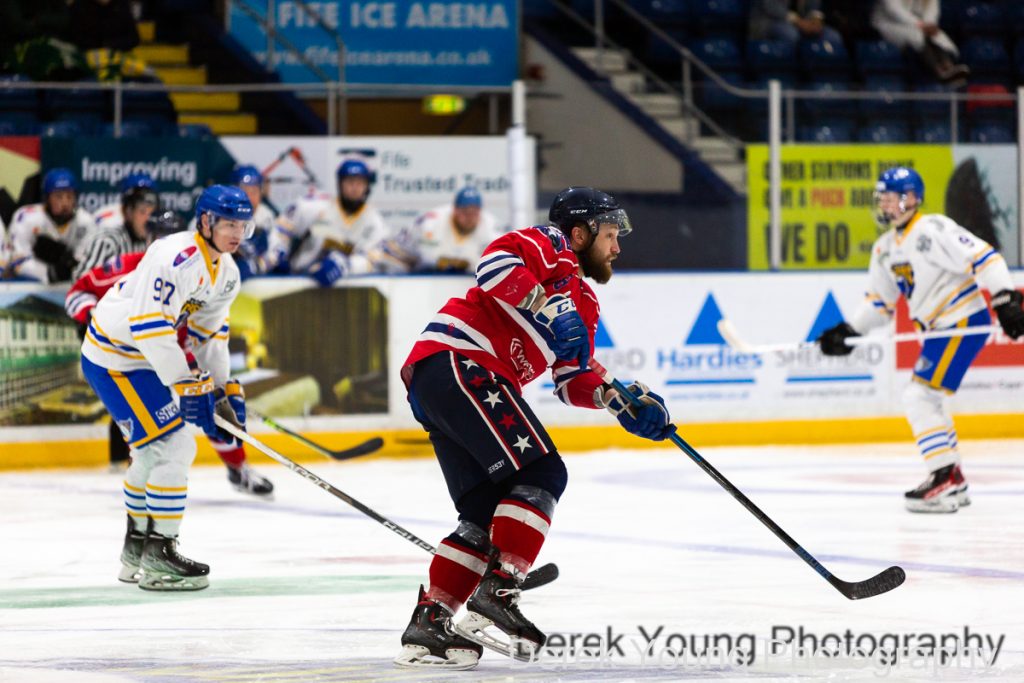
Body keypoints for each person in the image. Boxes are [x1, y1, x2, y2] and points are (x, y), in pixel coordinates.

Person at [393, 187, 675, 669]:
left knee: (484, 513)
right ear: (580, 233)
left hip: (443, 379)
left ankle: (431, 622)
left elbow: (572, 378)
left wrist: (617, 400)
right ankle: (499, 590)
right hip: (463, 361)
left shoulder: (586, 303)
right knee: (543, 473)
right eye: (610, 235)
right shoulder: (552, 245)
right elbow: (493, 265)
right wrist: (547, 306)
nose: (616, 247)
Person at [817, 167, 1024, 513]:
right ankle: (953, 478)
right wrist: (849, 331)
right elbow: (879, 304)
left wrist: (1004, 299)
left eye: (890, 197)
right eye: (881, 198)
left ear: (911, 198)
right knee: (928, 398)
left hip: (961, 321)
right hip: (938, 330)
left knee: (919, 396)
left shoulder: (933, 229)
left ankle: (944, 477)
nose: (884, 204)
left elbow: (985, 257)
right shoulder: (884, 249)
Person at [80, 185, 255, 590]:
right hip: (114, 357)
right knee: (175, 446)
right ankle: (160, 554)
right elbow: (149, 326)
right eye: (229, 224)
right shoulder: (174, 255)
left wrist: (221, 387)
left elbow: (211, 335)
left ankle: (136, 549)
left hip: (138, 359)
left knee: (151, 451)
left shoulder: (227, 273)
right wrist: (187, 384)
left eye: (243, 226)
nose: (236, 233)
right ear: (206, 221)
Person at [67, 210, 275, 497]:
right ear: (149, 240)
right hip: (126, 352)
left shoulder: (195, 268)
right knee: (157, 432)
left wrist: (209, 381)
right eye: (159, 238)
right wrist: (92, 316)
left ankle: (238, 468)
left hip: (173, 351)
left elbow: (204, 326)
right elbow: (77, 293)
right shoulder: (127, 266)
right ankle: (145, 483)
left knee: (209, 403)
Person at [267, 159, 390, 286]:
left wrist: (346, 265)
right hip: (299, 279)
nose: (354, 188)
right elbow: (282, 228)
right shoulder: (314, 207)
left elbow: (376, 259)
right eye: (350, 182)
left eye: (360, 183)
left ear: (367, 186)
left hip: (345, 287)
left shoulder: (375, 223)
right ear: (340, 184)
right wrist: (277, 253)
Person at [375, 186, 504, 274]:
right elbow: (396, 249)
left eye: (474, 213)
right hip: (422, 278)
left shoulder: (492, 230)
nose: (469, 218)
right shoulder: (430, 223)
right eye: (465, 212)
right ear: (455, 210)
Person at [6, 168, 97, 282]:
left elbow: (87, 261)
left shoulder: (85, 222)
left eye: (69, 196)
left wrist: (72, 264)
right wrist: (49, 272)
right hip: (28, 284)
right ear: (47, 198)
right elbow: (17, 260)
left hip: (71, 284)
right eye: (59, 196)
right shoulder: (26, 218)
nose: (65, 203)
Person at [871, 0, 969, 85]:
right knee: (917, 37)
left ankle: (949, 67)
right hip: (889, 23)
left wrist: (929, 24)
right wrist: (920, 25)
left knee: (938, 37)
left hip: (917, 26)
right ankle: (939, 71)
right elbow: (894, 11)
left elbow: (932, 11)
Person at [74, 182, 160, 279]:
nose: (148, 218)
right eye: (142, 212)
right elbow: (82, 281)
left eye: (152, 213)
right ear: (128, 212)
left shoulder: (154, 244)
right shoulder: (107, 241)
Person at [749, 0, 843, 44]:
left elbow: (814, 7)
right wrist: (798, 21)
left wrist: (816, 20)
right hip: (770, 21)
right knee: (790, 34)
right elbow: (770, 6)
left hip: (803, 24)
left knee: (833, 37)